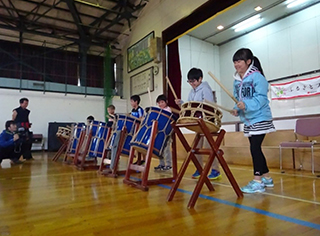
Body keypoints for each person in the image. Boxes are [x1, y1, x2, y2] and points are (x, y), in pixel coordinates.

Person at [230, 48, 276, 194]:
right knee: (256, 148)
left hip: (260, 117)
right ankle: (267, 177)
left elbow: (262, 98)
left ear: (248, 61)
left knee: (254, 148)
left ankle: (257, 181)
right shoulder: (236, 81)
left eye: (239, 61)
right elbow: (238, 99)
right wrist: (236, 108)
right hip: (248, 120)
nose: (236, 64)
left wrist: (247, 105)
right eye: (235, 61)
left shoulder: (258, 77)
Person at [175, 68, 221, 180]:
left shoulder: (205, 89)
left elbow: (208, 106)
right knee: (196, 147)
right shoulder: (192, 91)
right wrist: (181, 104)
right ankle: (199, 168)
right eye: (189, 81)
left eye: (193, 81)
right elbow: (191, 106)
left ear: (200, 79)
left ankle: (215, 170)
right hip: (198, 123)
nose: (192, 84)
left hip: (207, 122)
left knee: (209, 147)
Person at [154, 94, 172, 171]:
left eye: (162, 102)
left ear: (166, 102)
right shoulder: (159, 111)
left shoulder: (168, 110)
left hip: (167, 132)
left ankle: (169, 164)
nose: (160, 104)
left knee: (166, 149)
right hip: (160, 132)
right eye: (159, 103)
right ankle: (161, 164)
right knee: (159, 149)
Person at [130, 95, 145, 165]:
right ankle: (138, 159)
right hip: (134, 128)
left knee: (139, 144)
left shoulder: (140, 109)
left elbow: (141, 119)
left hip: (139, 127)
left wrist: (132, 117)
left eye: (132, 101)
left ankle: (143, 159)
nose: (131, 103)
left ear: (136, 102)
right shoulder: (132, 110)